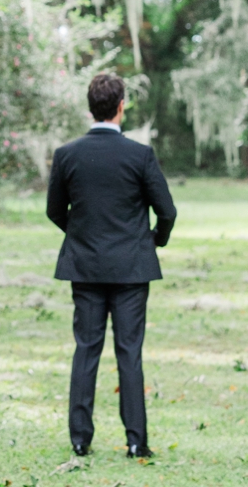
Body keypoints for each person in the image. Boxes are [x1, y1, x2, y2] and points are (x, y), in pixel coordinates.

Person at [45, 72, 177, 462]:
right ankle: (136, 441)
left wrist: (82, 235)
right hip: (132, 269)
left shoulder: (67, 155)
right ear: (121, 107)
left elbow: (54, 210)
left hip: (84, 267)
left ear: (91, 107)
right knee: (129, 352)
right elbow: (167, 211)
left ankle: (80, 440)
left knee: (86, 349)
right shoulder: (139, 155)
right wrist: (153, 240)